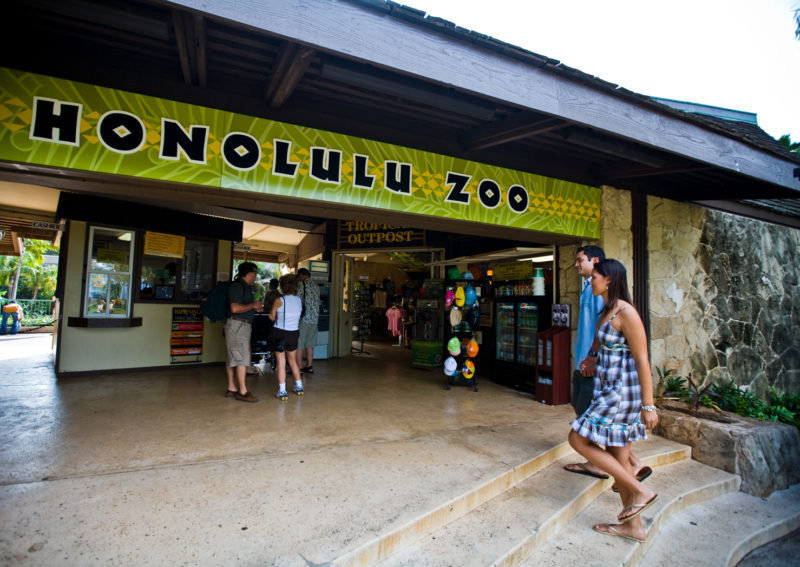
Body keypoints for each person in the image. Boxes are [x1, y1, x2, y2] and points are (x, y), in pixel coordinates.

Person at [568, 259, 659, 543]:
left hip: (621, 393)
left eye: (594, 277)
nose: (589, 281)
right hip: (608, 389)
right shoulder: (606, 310)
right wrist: (591, 360)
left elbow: (642, 359)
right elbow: (601, 345)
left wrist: (649, 404)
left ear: (608, 279)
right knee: (618, 454)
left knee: (577, 439)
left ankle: (638, 489)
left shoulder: (626, 312)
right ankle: (634, 526)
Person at [564, 246, 647, 482]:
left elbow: (640, 358)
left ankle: (621, 475)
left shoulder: (611, 302)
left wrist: (591, 356)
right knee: (591, 421)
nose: (577, 265)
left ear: (597, 262)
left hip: (606, 378)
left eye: (581, 260)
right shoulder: (591, 291)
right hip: (596, 372)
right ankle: (632, 478)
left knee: (585, 422)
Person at [224, 262, 263, 402]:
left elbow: (242, 306)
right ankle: (243, 391)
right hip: (238, 326)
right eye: (255, 273)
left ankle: (231, 388)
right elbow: (234, 308)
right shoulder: (237, 286)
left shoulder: (245, 287)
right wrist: (253, 305)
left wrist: (253, 307)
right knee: (240, 358)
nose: (256, 276)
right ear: (250, 273)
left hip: (239, 326)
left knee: (233, 356)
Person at [269, 273, 304, 400]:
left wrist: (274, 317)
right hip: (294, 332)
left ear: (282, 286)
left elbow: (272, 316)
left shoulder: (279, 301)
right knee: (293, 361)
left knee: (281, 362)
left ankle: (283, 391)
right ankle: (299, 386)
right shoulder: (299, 300)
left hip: (280, 332)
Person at [296, 267, 320, 374]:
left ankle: (299, 367)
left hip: (304, 318)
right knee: (310, 344)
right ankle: (309, 366)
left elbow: (298, 300)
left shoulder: (302, 285)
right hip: (314, 319)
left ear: (301, 275)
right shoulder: (316, 285)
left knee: (300, 343)